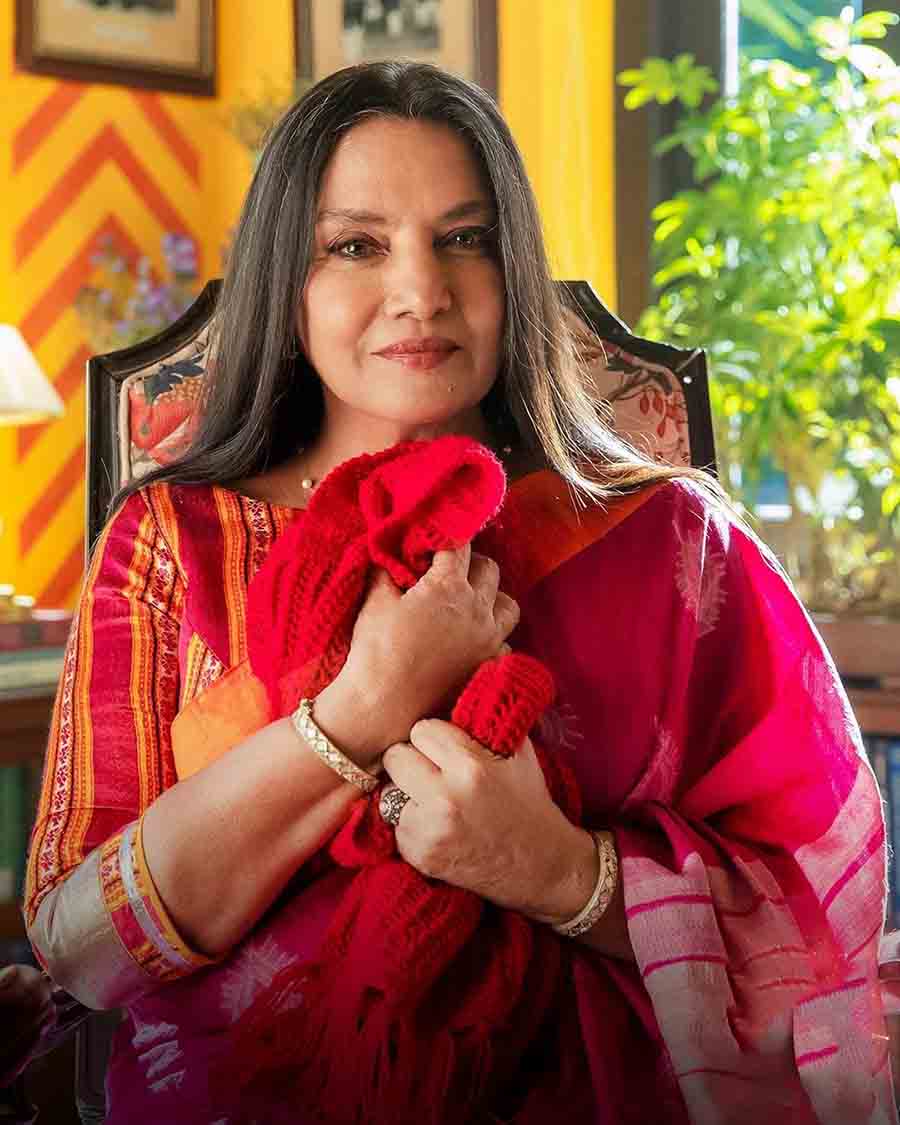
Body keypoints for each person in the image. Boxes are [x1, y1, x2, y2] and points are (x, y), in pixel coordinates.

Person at [23, 61, 895, 1124]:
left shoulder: (668, 537)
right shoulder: (172, 543)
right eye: (357, 245)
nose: (421, 291)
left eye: (465, 238)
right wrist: (362, 709)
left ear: (512, 268)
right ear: (285, 281)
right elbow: (80, 948)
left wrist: (564, 874)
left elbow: (822, 912)